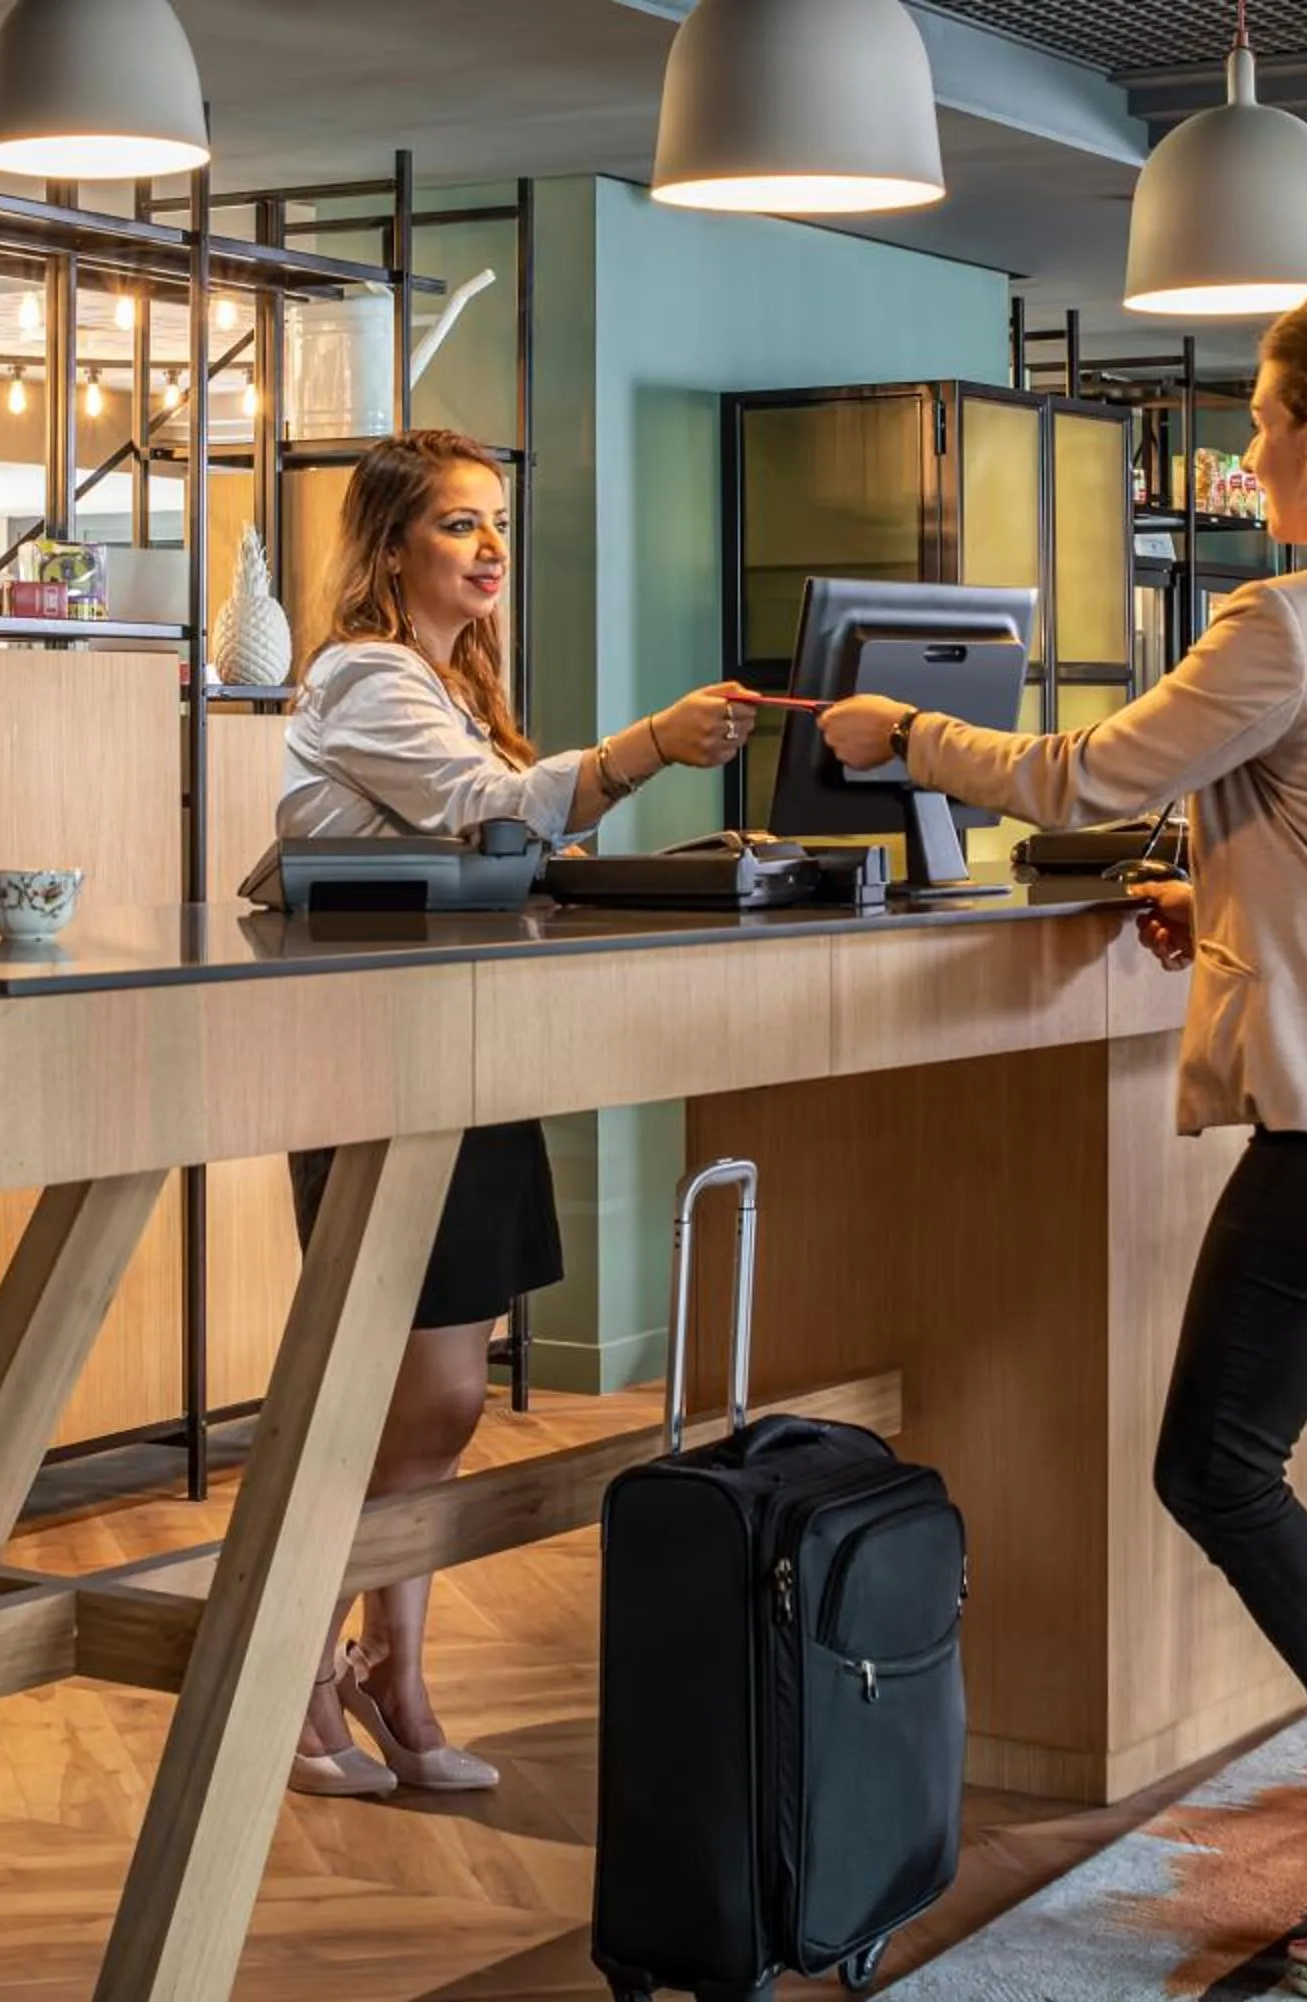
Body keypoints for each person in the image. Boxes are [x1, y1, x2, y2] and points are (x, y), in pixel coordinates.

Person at [820, 294, 1307, 1998]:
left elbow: (1079, 772)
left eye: (1255, 419)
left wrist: (903, 734)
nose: (1240, 451)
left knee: (1213, 1459)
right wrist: (1216, 890)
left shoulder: (1290, 620)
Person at [273, 427, 752, 1798]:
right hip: (379, 1065)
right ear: (391, 548)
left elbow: (502, 839)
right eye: (457, 526)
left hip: (459, 1057)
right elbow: (492, 818)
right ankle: (308, 1669)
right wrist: (653, 745)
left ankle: (395, 1675)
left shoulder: (451, 683)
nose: (489, 547)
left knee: (444, 1403)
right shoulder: (363, 677)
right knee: (410, 1395)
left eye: (496, 524)